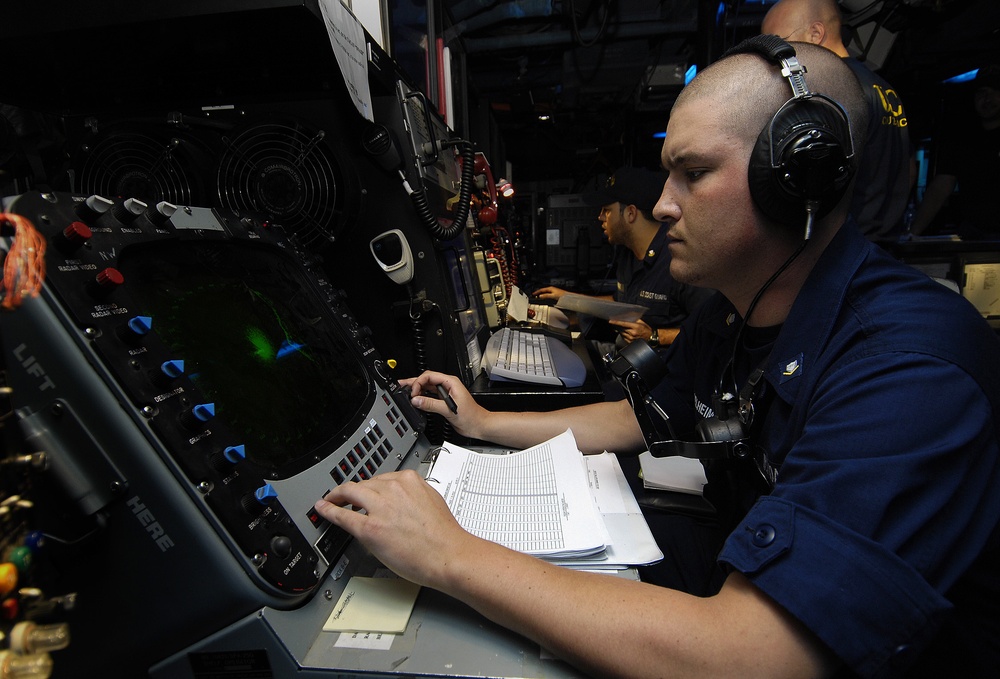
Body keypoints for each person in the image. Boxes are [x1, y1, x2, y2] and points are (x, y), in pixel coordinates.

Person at [315, 40, 1000, 677]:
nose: (663, 206)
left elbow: (754, 655)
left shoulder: (908, 365)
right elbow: (636, 419)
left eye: (694, 173)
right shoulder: (728, 313)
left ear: (797, 178)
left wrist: (449, 554)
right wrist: (483, 422)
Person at [761, 0, 911, 240]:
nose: (773, 57)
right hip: (887, 243)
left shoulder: (833, 89)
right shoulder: (883, 88)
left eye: (780, 42)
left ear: (816, 34)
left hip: (848, 247)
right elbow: (908, 167)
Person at [533, 166, 711, 348]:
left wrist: (655, 336)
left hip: (658, 369)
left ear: (630, 213)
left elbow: (712, 330)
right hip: (623, 356)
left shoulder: (681, 260)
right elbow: (619, 303)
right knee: (555, 346)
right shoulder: (628, 255)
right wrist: (568, 298)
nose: (600, 217)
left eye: (607, 210)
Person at [911, 64, 1000, 239]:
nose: (986, 98)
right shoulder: (963, 139)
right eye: (981, 92)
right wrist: (913, 233)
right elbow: (941, 186)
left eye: (994, 91)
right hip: (974, 234)